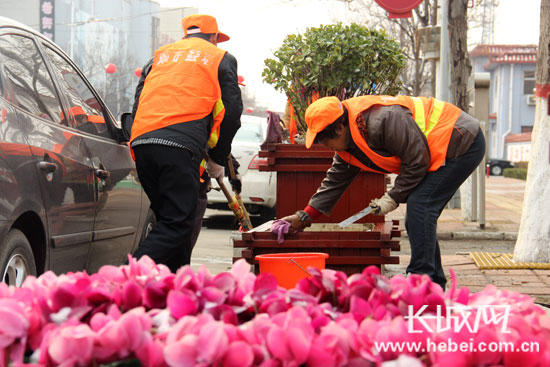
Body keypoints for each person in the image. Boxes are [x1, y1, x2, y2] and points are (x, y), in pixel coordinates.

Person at [282, 95, 485, 290]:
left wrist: (393, 197)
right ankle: (433, 282)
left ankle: (422, 282)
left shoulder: (384, 120)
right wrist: (305, 216)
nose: (327, 147)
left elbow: (416, 161)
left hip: (460, 139)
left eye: (326, 141)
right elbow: (335, 181)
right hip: (436, 148)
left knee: (420, 207)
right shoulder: (349, 143)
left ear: (340, 127)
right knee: (420, 210)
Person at [129, 14, 243, 273]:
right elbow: (233, 111)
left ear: (185, 34)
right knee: (177, 224)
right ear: (214, 37)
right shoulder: (220, 58)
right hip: (179, 149)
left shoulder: (158, 58)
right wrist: (218, 156)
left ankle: (175, 288)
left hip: (143, 145)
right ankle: (125, 275)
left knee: (171, 226)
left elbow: (138, 104)